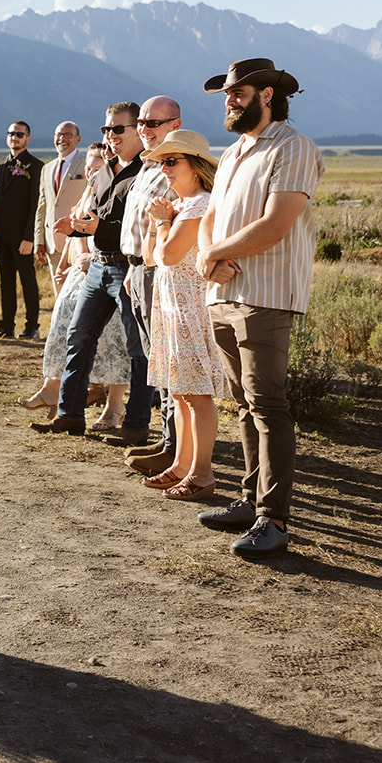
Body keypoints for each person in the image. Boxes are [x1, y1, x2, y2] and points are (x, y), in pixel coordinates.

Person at [194, 59, 323, 559]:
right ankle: (249, 500)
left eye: (238, 93)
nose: (229, 100)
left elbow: (277, 223)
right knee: (243, 403)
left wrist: (217, 254)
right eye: (227, 94)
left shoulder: (294, 147)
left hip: (265, 293)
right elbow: (211, 218)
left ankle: (274, 518)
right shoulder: (231, 154)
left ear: (267, 95)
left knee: (268, 404)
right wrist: (209, 256)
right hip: (223, 293)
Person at [32, 103, 150, 438]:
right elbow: (95, 218)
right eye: (106, 130)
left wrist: (97, 226)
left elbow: (137, 226)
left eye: (118, 129)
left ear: (137, 129)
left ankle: (136, 424)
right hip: (98, 266)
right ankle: (70, 415)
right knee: (78, 337)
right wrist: (77, 228)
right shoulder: (104, 171)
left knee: (138, 348)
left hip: (129, 267)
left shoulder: (147, 172)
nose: (110, 137)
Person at [136, 129, 227, 502]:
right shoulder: (179, 206)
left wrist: (161, 222)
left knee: (197, 394)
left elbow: (169, 255)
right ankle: (182, 464)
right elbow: (148, 255)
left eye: (172, 161)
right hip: (174, 308)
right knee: (182, 391)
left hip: (191, 309)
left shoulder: (200, 204)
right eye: (162, 162)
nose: (165, 169)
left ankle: (202, 473)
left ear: (196, 166)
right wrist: (160, 219)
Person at [16, 142, 129, 430]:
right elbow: (77, 231)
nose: (92, 171)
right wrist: (69, 262)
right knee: (68, 331)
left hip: (112, 267)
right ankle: (59, 397)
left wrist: (90, 256)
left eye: (95, 167)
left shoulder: (119, 184)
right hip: (84, 271)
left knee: (115, 340)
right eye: (89, 168)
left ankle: (114, 406)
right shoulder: (91, 189)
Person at [109, 96, 184, 453]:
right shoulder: (148, 166)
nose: (144, 129)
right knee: (153, 359)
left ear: (175, 125)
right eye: (141, 122)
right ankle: (168, 441)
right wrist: (131, 268)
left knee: (166, 359)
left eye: (153, 123)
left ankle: (174, 445)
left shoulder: (177, 166)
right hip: (137, 270)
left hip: (161, 271)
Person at [0, 120, 43, 339]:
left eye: (19, 134)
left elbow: (35, 204)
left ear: (28, 138)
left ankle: (32, 326)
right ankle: (6, 325)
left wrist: (29, 237)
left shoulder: (35, 166)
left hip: (22, 238)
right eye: (11, 134)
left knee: (27, 281)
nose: (14, 137)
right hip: (1, 236)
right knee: (5, 281)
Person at [33, 121, 87, 303]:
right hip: (52, 243)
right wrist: (39, 240)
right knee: (60, 296)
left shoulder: (87, 165)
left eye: (68, 135)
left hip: (78, 242)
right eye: (59, 135)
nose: (62, 139)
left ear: (78, 139)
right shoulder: (47, 168)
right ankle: (61, 332)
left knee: (80, 295)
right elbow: (42, 207)